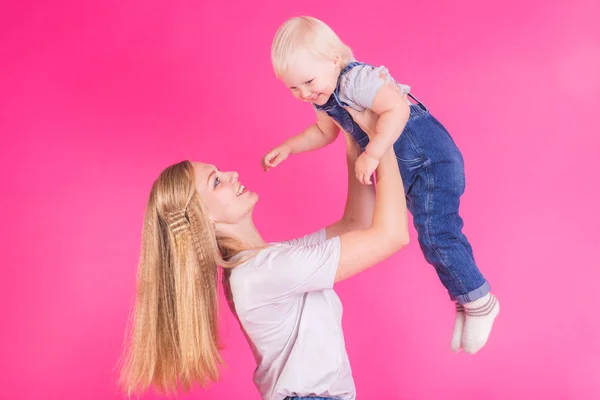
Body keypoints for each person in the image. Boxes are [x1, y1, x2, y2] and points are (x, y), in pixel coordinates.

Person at [119, 110, 410, 399]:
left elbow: (355, 224)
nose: (232, 174)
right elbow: (392, 235)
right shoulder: (262, 272)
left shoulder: (263, 264)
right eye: (216, 182)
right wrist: (381, 141)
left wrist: (352, 136)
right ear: (202, 218)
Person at [262, 16, 499, 354]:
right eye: (294, 88)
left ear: (333, 59)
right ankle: (467, 296)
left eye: (308, 81)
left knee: (437, 235)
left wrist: (372, 152)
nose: (304, 93)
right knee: (437, 235)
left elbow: (397, 109)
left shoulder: (356, 79)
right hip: (409, 169)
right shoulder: (324, 97)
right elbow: (323, 132)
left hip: (431, 159)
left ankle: (481, 301)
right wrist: (289, 146)